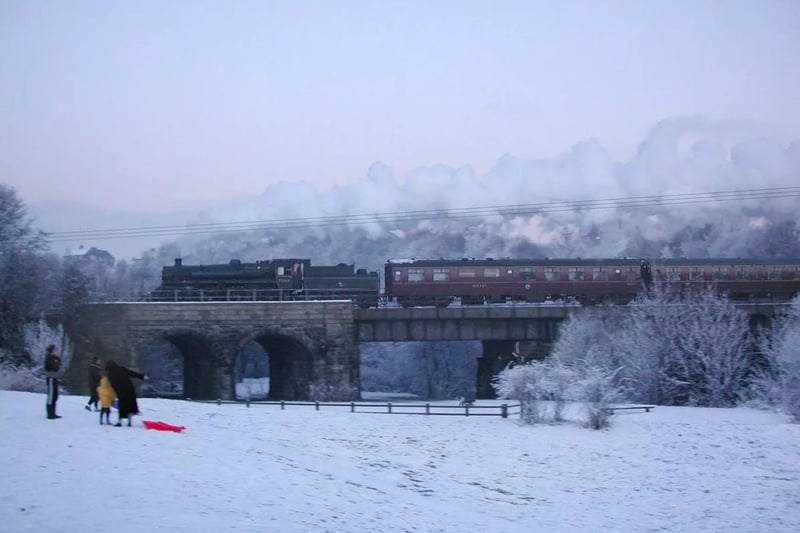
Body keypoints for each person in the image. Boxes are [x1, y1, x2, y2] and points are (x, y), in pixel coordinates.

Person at [105, 360, 148, 427]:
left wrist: (114, 393)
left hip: (121, 391)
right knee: (130, 405)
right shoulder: (121, 369)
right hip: (129, 389)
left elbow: (113, 385)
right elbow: (131, 373)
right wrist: (142, 376)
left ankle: (120, 422)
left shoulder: (110, 374)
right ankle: (129, 422)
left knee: (122, 406)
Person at [43, 344, 62, 420]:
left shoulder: (55, 358)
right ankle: (50, 414)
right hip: (51, 378)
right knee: (51, 396)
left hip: (55, 378)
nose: (56, 351)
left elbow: (57, 366)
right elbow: (54, 367)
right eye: (55, 349)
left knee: (55, 396)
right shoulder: (49, 358)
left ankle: (53, 412)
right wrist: (56, 363)